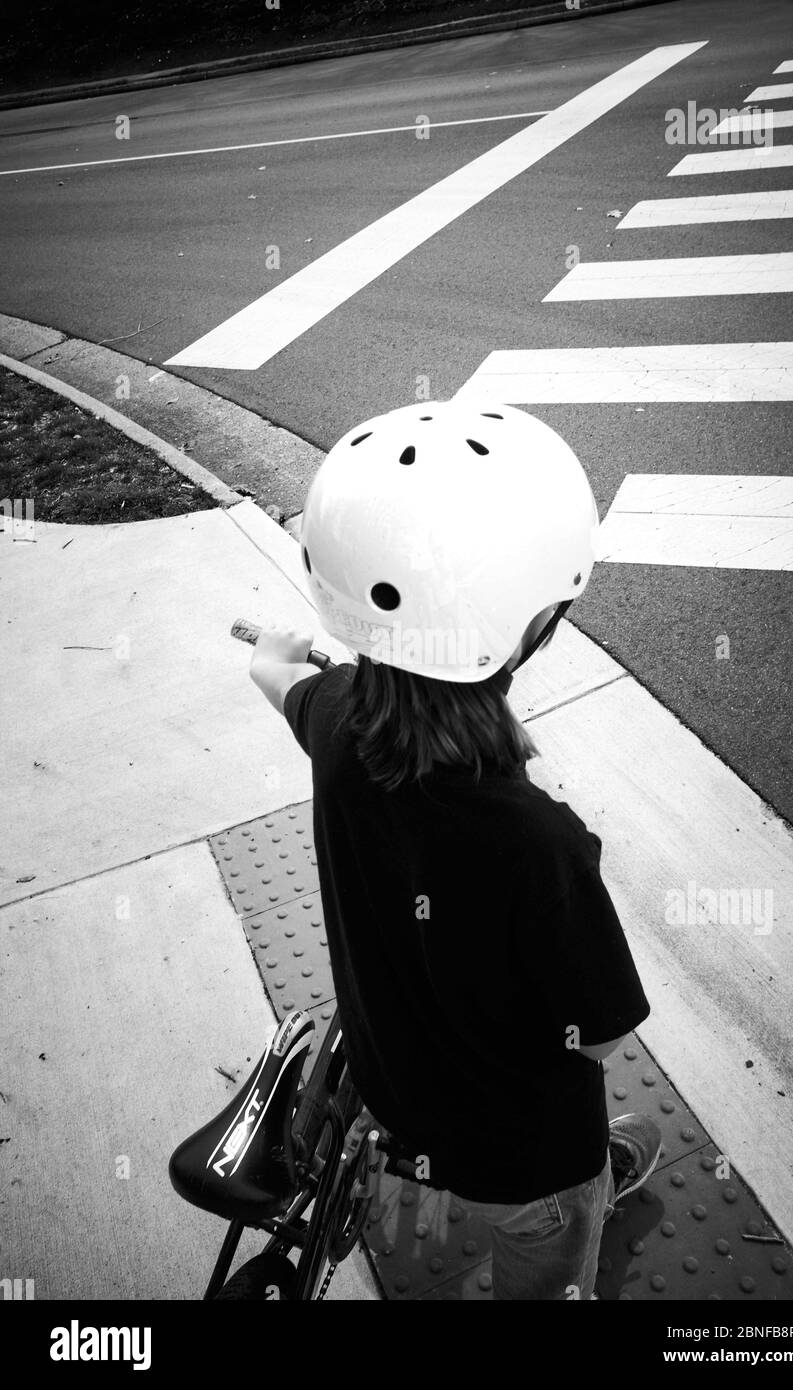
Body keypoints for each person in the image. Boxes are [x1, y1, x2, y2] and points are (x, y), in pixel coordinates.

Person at [249, 400, 660, 1300]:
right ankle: (592, 1197)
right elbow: (600, 1037)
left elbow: (278, 678)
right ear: (532, 625)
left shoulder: (338, 724)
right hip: (531, 1165)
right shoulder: (543, 843)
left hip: (398, 1094)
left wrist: (274, 654)